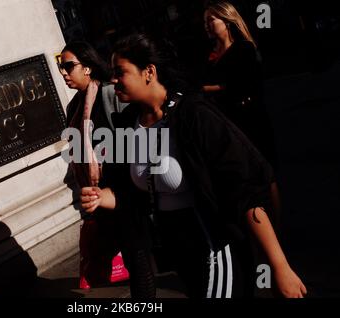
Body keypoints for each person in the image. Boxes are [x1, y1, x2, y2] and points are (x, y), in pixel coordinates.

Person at [80, 33, 307, 298]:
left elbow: (245, 190)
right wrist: (101, 197)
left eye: (121, 72)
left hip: (214, 244)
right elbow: (132, 193)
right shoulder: (128, 123)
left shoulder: (194, 114)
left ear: (149, 72)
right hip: (176, 250)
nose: (114, 79)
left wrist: (279, 265)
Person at [59, 41, 155, 297]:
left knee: (138, 259)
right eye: (61, 67)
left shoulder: (110, 94)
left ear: (88, 66)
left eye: (69, 66)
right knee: (126, 253)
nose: (64, 73)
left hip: (123, 189)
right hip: (98, 195)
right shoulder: (74, 108)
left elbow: (134, 137)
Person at [202, 1, 277, 168]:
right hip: (227, 125)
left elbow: (245, 85)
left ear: (226, 21)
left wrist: (207, 89)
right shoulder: (211, 56)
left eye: (211, 20)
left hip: (251, 120)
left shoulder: (244, 48)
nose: (206, 25)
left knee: (263, 170)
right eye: (205, 22)